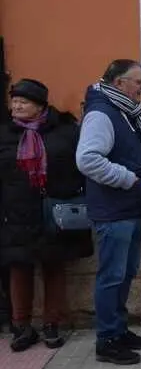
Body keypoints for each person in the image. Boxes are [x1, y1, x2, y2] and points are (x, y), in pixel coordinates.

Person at [77, 60, 141, 365]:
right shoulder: (102, 113)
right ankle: (107, 340)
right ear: (118, 84)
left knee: (125, 273)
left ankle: (119, 330)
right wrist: (128, 178)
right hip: (114, 210)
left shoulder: (124, 111)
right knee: (112, 276)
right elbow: (87, 159)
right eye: (138, 82)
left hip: (128, 206)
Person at [0, 78, 93, 351]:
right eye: (14, 101)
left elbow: (78, 167)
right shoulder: (5, 134)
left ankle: (52, 324)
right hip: (15, 213)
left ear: (40, 106)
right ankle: (21, 327)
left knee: (54, 266)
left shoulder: (64, 131)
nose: (16, 106)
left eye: (23, 102)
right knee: (19, 268)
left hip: (54, 211)